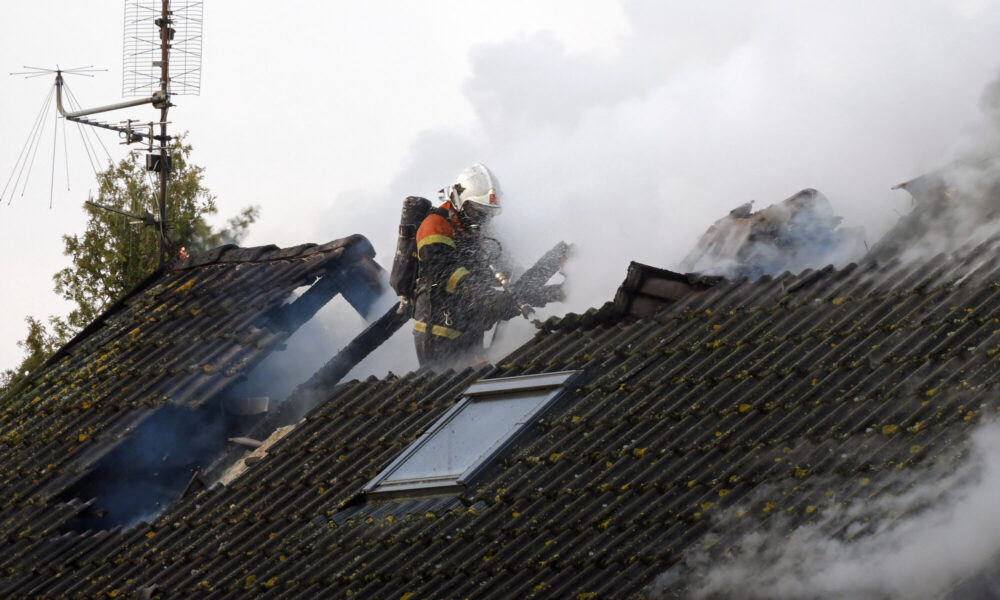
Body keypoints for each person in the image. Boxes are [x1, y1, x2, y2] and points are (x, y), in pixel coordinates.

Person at [412, 164, 542, 369]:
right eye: (476, 210)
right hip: (438, 328)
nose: (482, 218)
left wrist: (520, 286)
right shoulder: (435, 225)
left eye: (486, 212)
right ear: (458, 200)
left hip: (469, 325)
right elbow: (445, 272)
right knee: (443, 386)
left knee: (472, 376)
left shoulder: (472, 228)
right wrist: (489, 298)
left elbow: (493, 268)